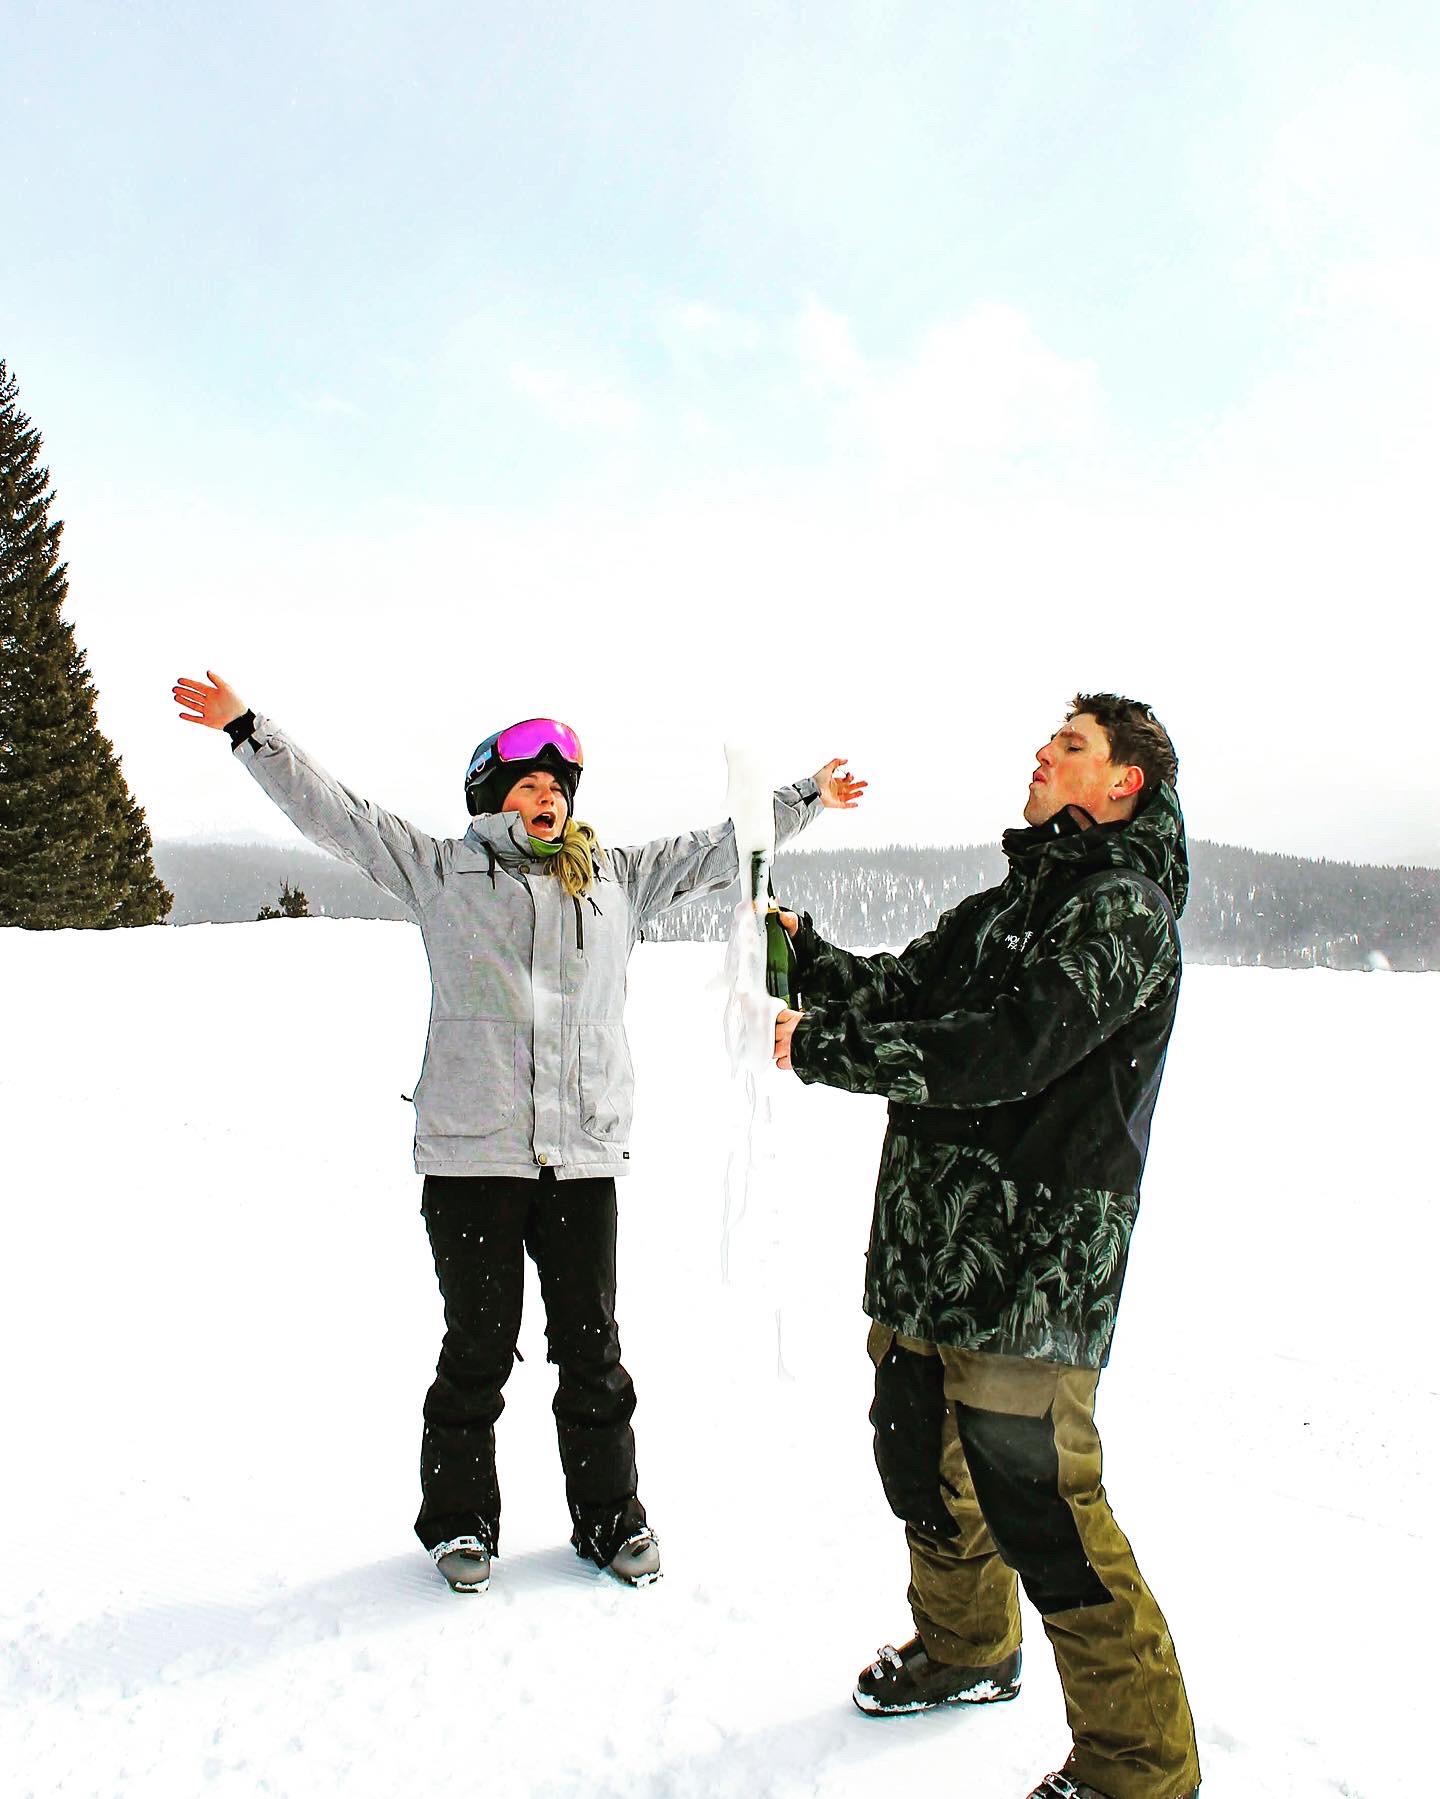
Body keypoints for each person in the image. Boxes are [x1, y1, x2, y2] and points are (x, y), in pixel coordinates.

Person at [172, 672, 864, 1594]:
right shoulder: (441, 872)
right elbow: (338, 815)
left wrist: (807, 797)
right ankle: (460, 1522)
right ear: (492, 798)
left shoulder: (615, 879)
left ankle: (609, 1518)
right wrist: (247, 730)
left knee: (593, 1351)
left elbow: (721, 845)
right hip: (474, 1156)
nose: (548, 797)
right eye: (528, 784)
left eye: (558, 786)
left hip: (580, 1156)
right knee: (478, 1347)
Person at [772, 695, 1199, 1799]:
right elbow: (900, 989)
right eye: (1050, 737)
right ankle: (966, 1648)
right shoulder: (1007, 903)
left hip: (1032, 1274)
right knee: (920, 1458)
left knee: (1045, 1511)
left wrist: (828, 1050)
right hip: (931, 1251)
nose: (1044, 752)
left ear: (1124, 783)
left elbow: (1012, 1048)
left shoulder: (1125, 911)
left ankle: (1138, 1768)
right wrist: (803, 952)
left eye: (1072, 744)